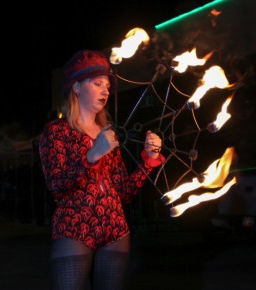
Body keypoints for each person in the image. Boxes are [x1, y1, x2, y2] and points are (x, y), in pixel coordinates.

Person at [38, 49, 165, 290]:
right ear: (76, 88)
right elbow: (57, 185)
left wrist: (148, 160)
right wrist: (94, 154)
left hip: (116, 230)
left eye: (107, 85)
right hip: (74, 228)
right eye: (97, 84)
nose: (106, 91)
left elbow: (124, 192)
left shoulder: (109, 134)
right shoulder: (56, 131)